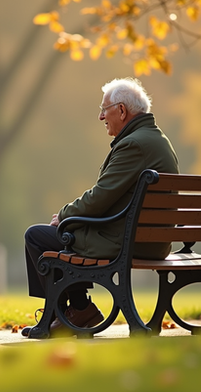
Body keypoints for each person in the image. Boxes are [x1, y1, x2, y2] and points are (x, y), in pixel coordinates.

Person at [23, 77, 179, 336]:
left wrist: (64, 215)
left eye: (104, 109)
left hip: (129, 241)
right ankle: (78, 310)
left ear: (121, 110)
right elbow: (111, 198)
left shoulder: (134, 144)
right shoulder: (156, 139)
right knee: (66, 233)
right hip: (153, 240)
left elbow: (99, 197)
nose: (100, 116)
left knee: (38, 236)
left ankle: (62, 315)